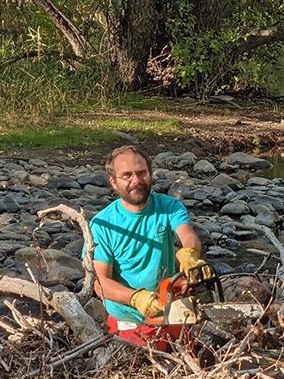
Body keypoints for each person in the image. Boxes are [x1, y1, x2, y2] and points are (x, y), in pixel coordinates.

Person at [89, 145, 213, 350]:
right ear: (114, 182)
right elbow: (100, 283)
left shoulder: (169, 207)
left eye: (141, 173)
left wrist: (190, 254)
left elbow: (187, 234)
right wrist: (136, 298)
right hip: (127, 321)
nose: (136, 181)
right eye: (127, 175)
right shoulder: (103, 224)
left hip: (171, 313)